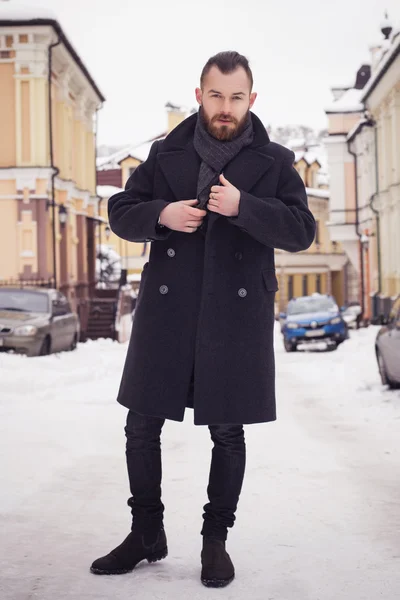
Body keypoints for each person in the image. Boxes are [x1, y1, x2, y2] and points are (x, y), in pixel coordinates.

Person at [90, 51, 316, 587]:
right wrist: (160, 216)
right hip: (168, 310)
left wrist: (245, 207)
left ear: (251, 100)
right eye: (216, 95)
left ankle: (215, 542)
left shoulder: (278, 161)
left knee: (227, 429)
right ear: (199, 95)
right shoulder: (165, 152)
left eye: (236, 97)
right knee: (141, 423)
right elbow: (120, 211)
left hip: (234, 314)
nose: (225, 107)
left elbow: (303, 231)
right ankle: (146, 532)